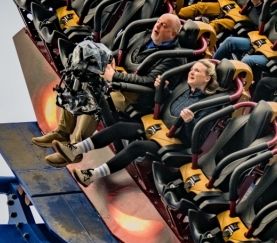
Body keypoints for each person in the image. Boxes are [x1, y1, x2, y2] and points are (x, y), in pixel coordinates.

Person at [52, 60, 223, 185]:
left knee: (136, 147)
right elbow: (166, 106)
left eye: (197, 71)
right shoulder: (185, 88)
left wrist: (190, 122)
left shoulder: (210, 105)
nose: (191, 72)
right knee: (120, 128)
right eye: (192, 69)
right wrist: (162, 89)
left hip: (175, 142)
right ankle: (76, 149)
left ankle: (92, 175)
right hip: (159, 128)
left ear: (207, 78)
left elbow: (197, 140)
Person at [104, 13, 184, 113]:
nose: (157, 25)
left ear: (172, 34)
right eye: (158, 22)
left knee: (97, 100)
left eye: (163, 25)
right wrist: (110, 58)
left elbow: (149, 81)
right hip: (118, 79)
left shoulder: (174, 58)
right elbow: (122, 51)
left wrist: (114, 76)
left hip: (134, 95)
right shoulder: (144, 35)